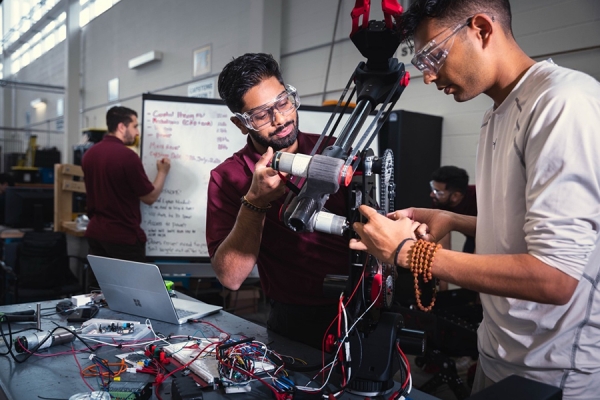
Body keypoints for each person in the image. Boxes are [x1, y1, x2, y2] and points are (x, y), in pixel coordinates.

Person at [349, 0, 600, 398]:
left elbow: (555, 277)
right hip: (500, 352)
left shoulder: (562, 104)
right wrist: (453, 220)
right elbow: (524, 235)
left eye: (433, 55)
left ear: (481, 29)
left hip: (555, 373)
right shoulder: (496, 113)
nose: (429, 77)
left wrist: (407, 252)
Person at [206, 53, 349, 350]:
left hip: (360, 303)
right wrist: (254, 203)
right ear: (241, 124)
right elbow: (230, 277)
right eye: (261, 115)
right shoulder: (228, 177)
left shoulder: (336, 154)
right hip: (295, 319)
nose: (281, 119)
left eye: (284, 102)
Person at [82, 106, 171, 268]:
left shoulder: (89, 155)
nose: (137, 133)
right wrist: (163, 172)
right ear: (121, 127)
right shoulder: (127, 156)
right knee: (134, 292)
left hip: (96, 234)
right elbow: (149, 197)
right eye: (135, 126)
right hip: (122, 237)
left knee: (100, 290)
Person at [430, 166, 477, 254]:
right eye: (433, 189)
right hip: (471, 235)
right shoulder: (440, 202)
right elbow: (442, 238)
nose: (432, 194)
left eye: (437, 192)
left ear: (455, 196)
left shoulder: (478, 198)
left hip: (487, 235)